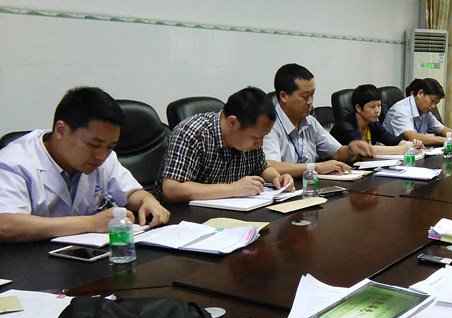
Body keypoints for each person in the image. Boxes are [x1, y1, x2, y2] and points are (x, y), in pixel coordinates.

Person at [0, 87, 170, 243]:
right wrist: (91, 223)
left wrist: (148, 201)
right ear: (61, 130)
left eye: (110, 146)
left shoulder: (103, 157)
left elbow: (131, 192)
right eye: (94, 145)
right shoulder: (13, 162)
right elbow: (5, 225)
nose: (102, 155)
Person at [156, 87, 294, 203]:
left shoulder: (249, 139)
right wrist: (233, 189)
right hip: (183, 217)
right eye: (257, 137)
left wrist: (277, 178)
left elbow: (262, 167)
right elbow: (171, 189)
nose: (260, 143)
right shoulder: (192, 134)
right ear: (233, 122)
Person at [263, 63, 375, 177]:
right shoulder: (268, 125)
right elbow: (270, 166)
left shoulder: (310, 122)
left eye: (312, 95)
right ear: (284, 96)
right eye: (304, 96)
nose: (310, 102)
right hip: (283, 186)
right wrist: (316, 167)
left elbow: (337, 152)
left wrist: (351, 150)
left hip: (310, 184)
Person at [330, 84, 421, 155]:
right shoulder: (345, 126)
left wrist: (411, 145)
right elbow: (364, 150)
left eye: (379, 106)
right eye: (372, 107)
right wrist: (403, 148)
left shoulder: (373, 124)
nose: (377, 111)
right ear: (358, 108)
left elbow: (394, 141)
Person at [383, 78, 452, 147]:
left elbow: (441, 129)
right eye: (432, 101)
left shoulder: (425, 112)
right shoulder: (401, 109)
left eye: (436, 103)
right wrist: (445, 139)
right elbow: (412, 137)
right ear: (420, 93)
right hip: (390, 155)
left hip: (412, 152)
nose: (433, 106)